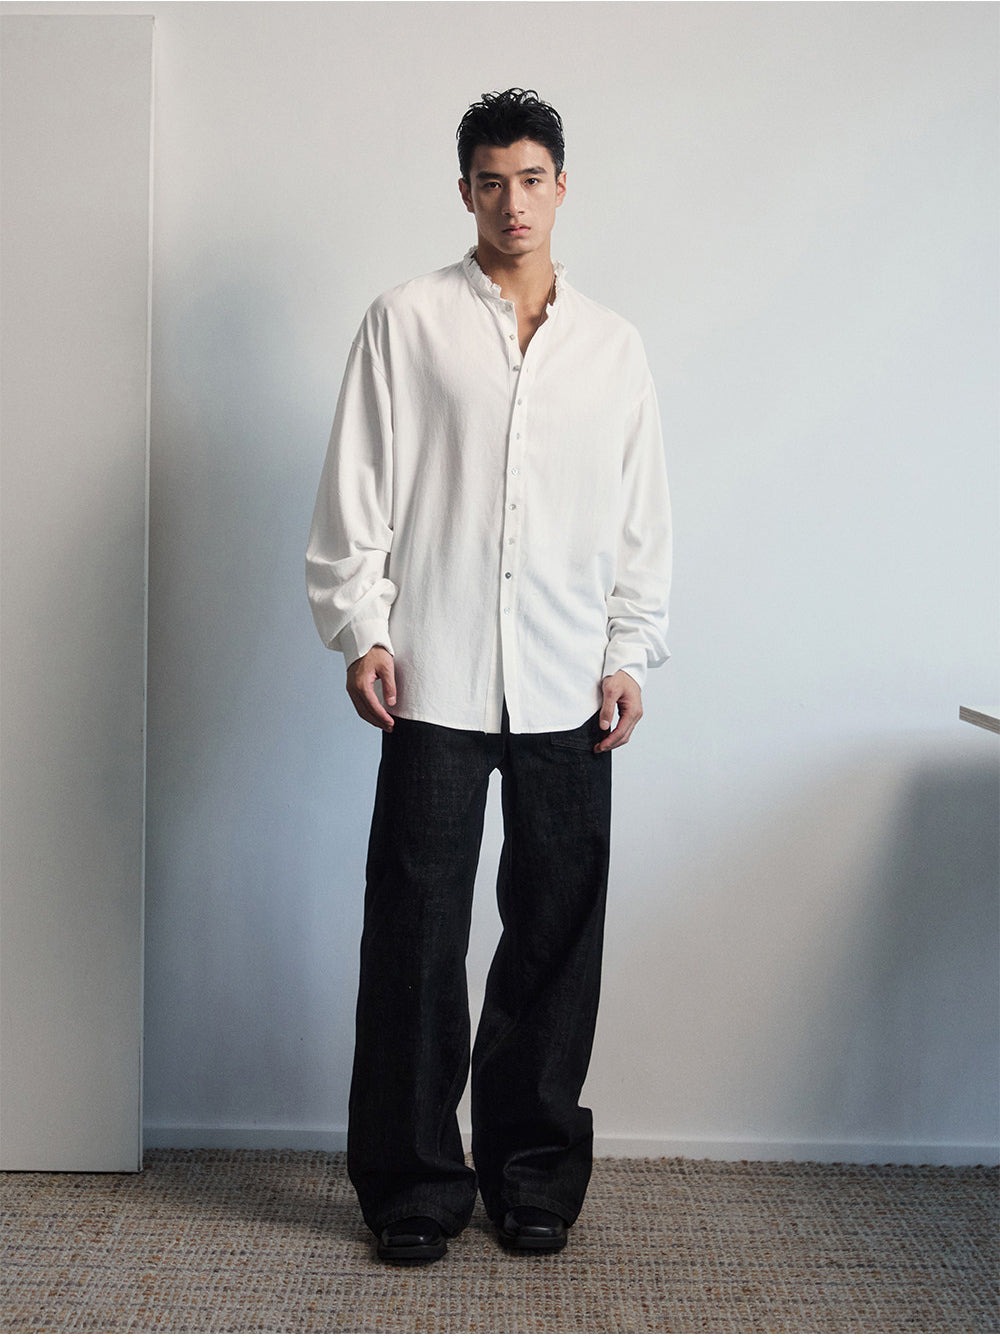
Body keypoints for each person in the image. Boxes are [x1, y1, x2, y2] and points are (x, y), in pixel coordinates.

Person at [306, 88, 671, 1263]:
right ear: (464, 190)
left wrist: (627, 651)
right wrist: (362, 628)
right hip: (437, 672)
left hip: (568, 678)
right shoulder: (405, 322)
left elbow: (640, 519)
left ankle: (531, 1174)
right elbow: (357, 486)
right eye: (490, 181)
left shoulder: (612, 347)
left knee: (554, 933)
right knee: (415, 934)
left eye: (531, 179)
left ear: (562, 186)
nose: (512, 201)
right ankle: (414, 1185)